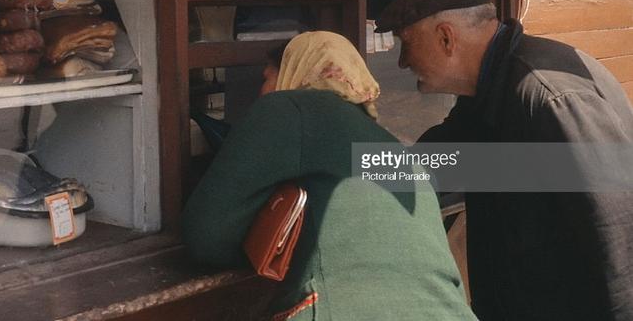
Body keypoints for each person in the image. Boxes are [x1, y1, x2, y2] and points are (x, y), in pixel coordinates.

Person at [375, 0, 633, 320]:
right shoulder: (486, 91)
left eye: (407, 44)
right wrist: (358, 167)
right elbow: (439, 163)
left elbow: (617, 241)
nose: (403, 63)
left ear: (446, 38)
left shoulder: (549, 98)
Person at [182, 31, 477, 320]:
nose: (260, 91)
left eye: (266, 77)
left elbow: (206, 236)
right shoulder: (391, 146)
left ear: (294, 71)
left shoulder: (287, 107)